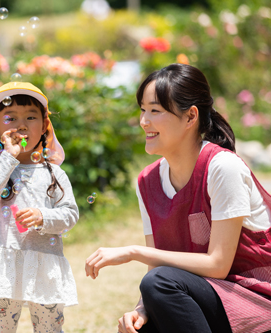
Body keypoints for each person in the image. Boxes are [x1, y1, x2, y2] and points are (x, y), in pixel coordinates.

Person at [85, 63, 271, 333]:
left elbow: (217, 265)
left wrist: (133, 252)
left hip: (257, 301)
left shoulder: (222, 167)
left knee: (159, 284)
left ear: (190, 117)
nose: (143, 121)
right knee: (143, 324)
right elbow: (158, 273)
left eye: (155, 111)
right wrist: (140, 310)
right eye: (143, 110)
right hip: (209, 297)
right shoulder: (147, 182)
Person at [0, 82, 79, 333]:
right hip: (4, 268)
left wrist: (43, 216)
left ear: (44, 126)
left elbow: (70, 214)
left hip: (45, 267)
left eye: (31, 117)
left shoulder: (54, 173)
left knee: (49, 329)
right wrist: (8, 157)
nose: (21, 125)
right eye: (10, 118)